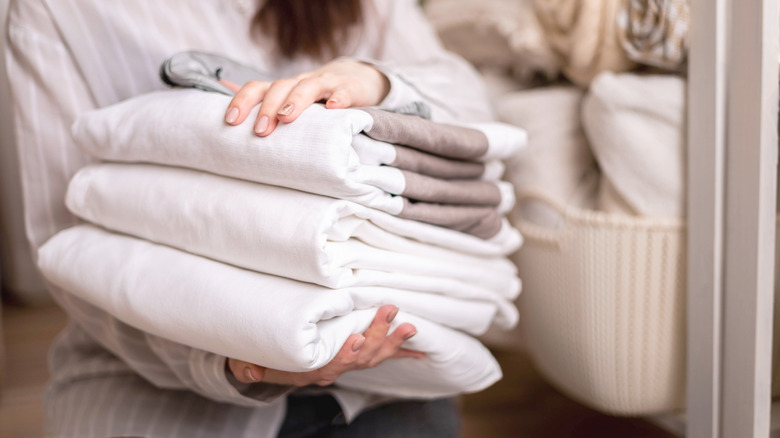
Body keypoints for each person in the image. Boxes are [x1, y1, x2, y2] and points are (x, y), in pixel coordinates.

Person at [6, 0, 493, 436]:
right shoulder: (59, 10)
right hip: (149, 386)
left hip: (379, 381)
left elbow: (474, 109)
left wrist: (374, 81)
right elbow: (68, 246)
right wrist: (228, 359)